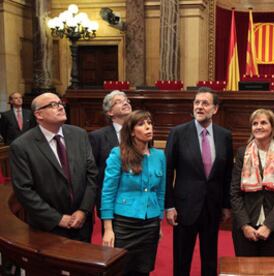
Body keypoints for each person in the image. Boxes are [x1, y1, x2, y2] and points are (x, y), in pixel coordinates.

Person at [10, 92, 97, 241]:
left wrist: (83, 210)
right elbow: (24, 190)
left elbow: (92, 175)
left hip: (82, 223)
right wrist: (57, 218)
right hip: (47, 227)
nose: (60, 107)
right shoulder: (22, 146)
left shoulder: (79, 135)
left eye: (60, 103)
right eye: (53, 105)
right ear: (39, 114)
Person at [165, 87, 233, 276]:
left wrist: (226, 206)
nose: (200, 107)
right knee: (181, 259)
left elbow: (227, 173)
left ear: (215, 109)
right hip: (184, 208)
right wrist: (169, 206)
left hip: (212, 206)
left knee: (210, 259)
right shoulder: (178, 133)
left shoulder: (224, 135)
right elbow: (168, 172)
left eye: (205, 103)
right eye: (197, 102)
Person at [101, 110, 165, 276]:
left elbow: (160, 192)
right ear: (131, 131)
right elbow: (108, 192)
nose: (148, 127)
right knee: (120, 269)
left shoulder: (159, 156)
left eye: (149, 123)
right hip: (124, 223)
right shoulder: (118, 154)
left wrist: (158, 221)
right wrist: (108, 228)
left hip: (150, 223)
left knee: (143, 270)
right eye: (141, 124)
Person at [231, 108, 274, 256]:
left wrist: (268, 226)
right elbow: (235, 193)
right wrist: (245, 225)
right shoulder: (242, 153)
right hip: (245, 227)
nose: (258, 126)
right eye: (255, 123)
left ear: (272, 127)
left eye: (264, 123)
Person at [89, 90, 132, 231]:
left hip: (136, 199)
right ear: (110, 112)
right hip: (111, 200)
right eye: (118, 102)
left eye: (126, 100)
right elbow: (92, 172)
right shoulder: (98, 137)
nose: (125, 102)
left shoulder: (142, 132)